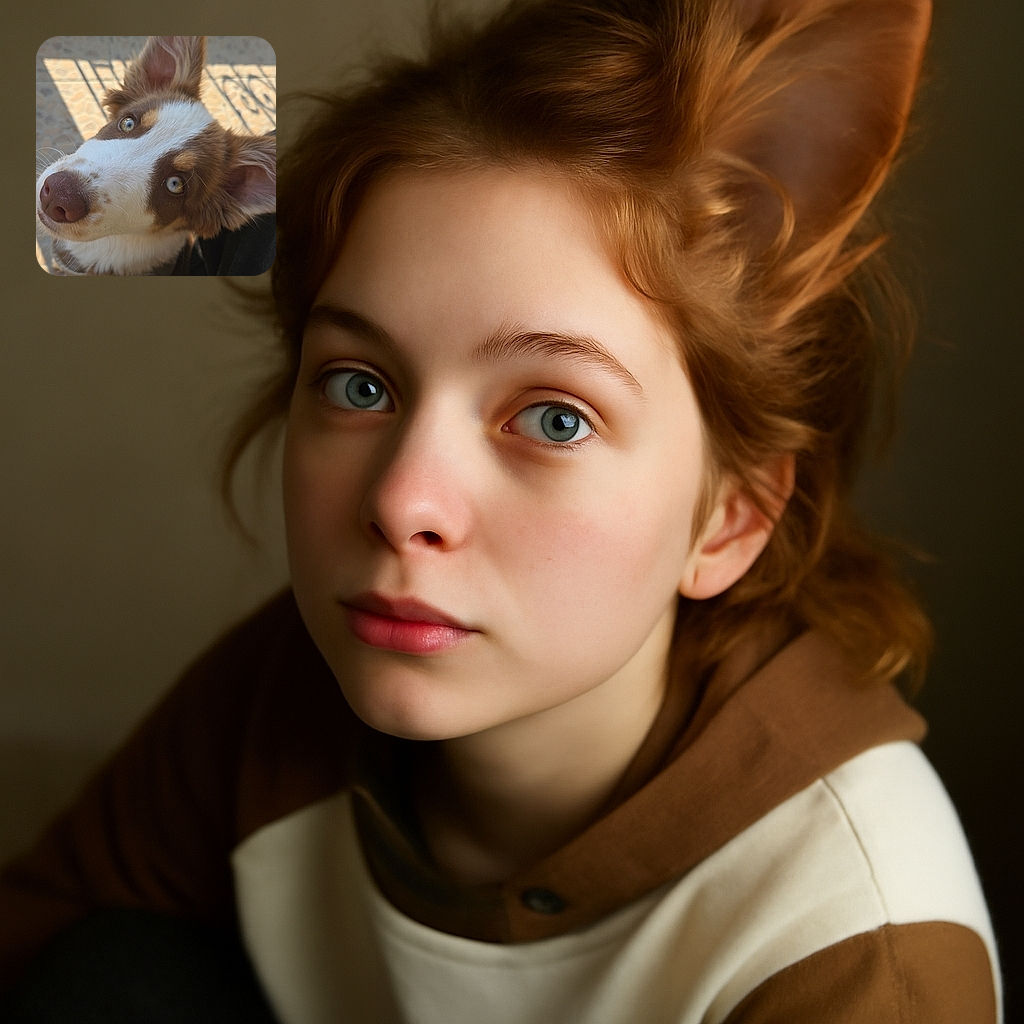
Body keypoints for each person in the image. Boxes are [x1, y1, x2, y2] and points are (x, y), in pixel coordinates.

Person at [0, 0, 1002, 1020]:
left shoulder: (859, 957)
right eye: (358, 385)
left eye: (555, 419)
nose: (402, 504)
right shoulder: (284, 694)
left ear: (730, 519)